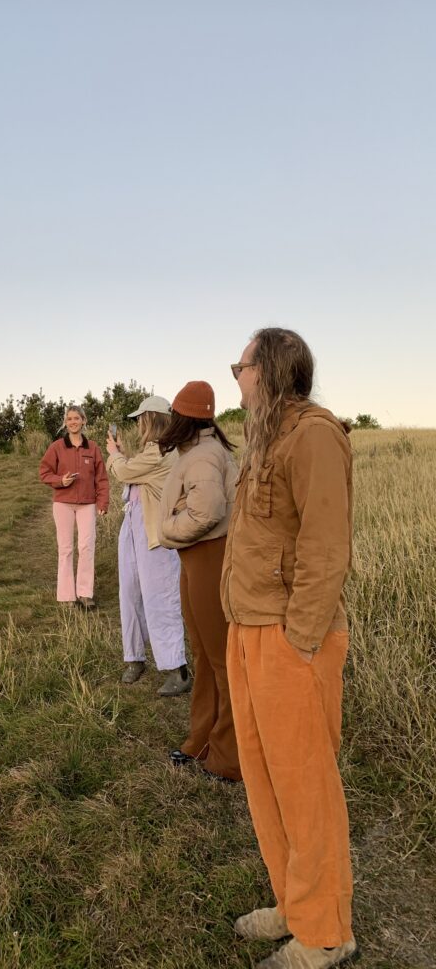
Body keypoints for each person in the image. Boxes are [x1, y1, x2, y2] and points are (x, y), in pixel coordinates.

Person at [223, 328, 356, 969]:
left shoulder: (315, 437)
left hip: (289, 640)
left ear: (269, 370)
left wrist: (299, 641)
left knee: (306, 786)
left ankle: (326, 932)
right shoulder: (266, 438)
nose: (236, 378)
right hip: (247, 633)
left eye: (240, 366)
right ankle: (292, 903)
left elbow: (326, 548)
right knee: (266, 778)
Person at [158, 381, 241, 781]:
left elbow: (207, 513)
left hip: (209, 555)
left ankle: (229, 757)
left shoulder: (205, 455)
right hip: (197, 557)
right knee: (205, 655)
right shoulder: (196, 451)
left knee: (222, 660)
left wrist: (168, 529)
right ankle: (203, 739)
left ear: (184, 418)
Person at [105, 396, 190, 696]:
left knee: (160, 597)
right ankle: (135, 657)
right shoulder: (152, 450)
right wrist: (123, 457)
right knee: (129, 592)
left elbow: (123, 473)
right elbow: (131, 473)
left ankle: (177, 668)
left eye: (141, 418)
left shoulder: (164, 449)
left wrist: (114, 454)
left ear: (151, 418)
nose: (138, 424)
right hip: (133, 525)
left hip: (154, 530)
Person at [39, 405, 109, 608]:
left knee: (87, 547)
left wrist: (102, 502)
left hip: (87, 504)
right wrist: (61, 480)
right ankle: (66, 596)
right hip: (63, 504)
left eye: (76, 418)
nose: (73, 422)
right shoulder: (56, 447)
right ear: (65, 422)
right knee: (66, 548)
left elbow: (102, 478)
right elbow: (44, 473)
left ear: (83, 421)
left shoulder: (93, 448)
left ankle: (85, 594)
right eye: (69, 419)